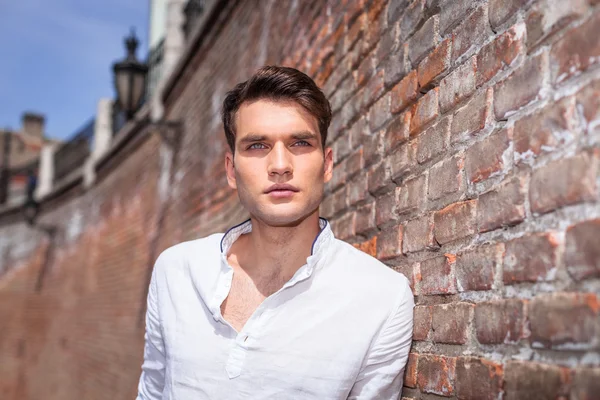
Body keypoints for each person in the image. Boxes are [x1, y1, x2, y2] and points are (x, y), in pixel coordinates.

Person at [136, 66, 414, 399]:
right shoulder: (177, 271)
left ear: (326, 165)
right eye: (257, 146)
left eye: (300, 143)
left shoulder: (381, 297)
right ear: (231, 170)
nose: (280, 165)